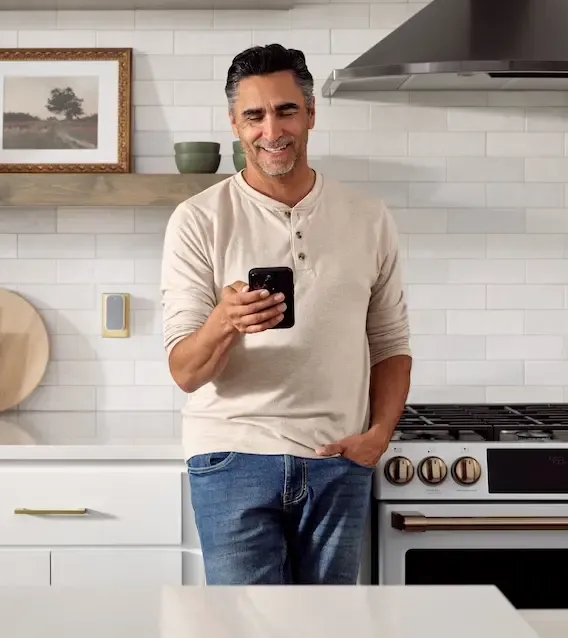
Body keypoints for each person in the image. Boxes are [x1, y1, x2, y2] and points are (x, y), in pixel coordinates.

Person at [160, 43, 411, 585]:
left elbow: (390, 342)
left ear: (311, 113)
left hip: (339, 458)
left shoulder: (368, 217)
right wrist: (225, 320)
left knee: (329, 629)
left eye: (286, 110)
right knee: (246, 628)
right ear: (234, 124)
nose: (271, 129)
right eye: (254, 115)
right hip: (232, 459)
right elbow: (185, 372)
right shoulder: (197, 220)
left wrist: (379, 435)